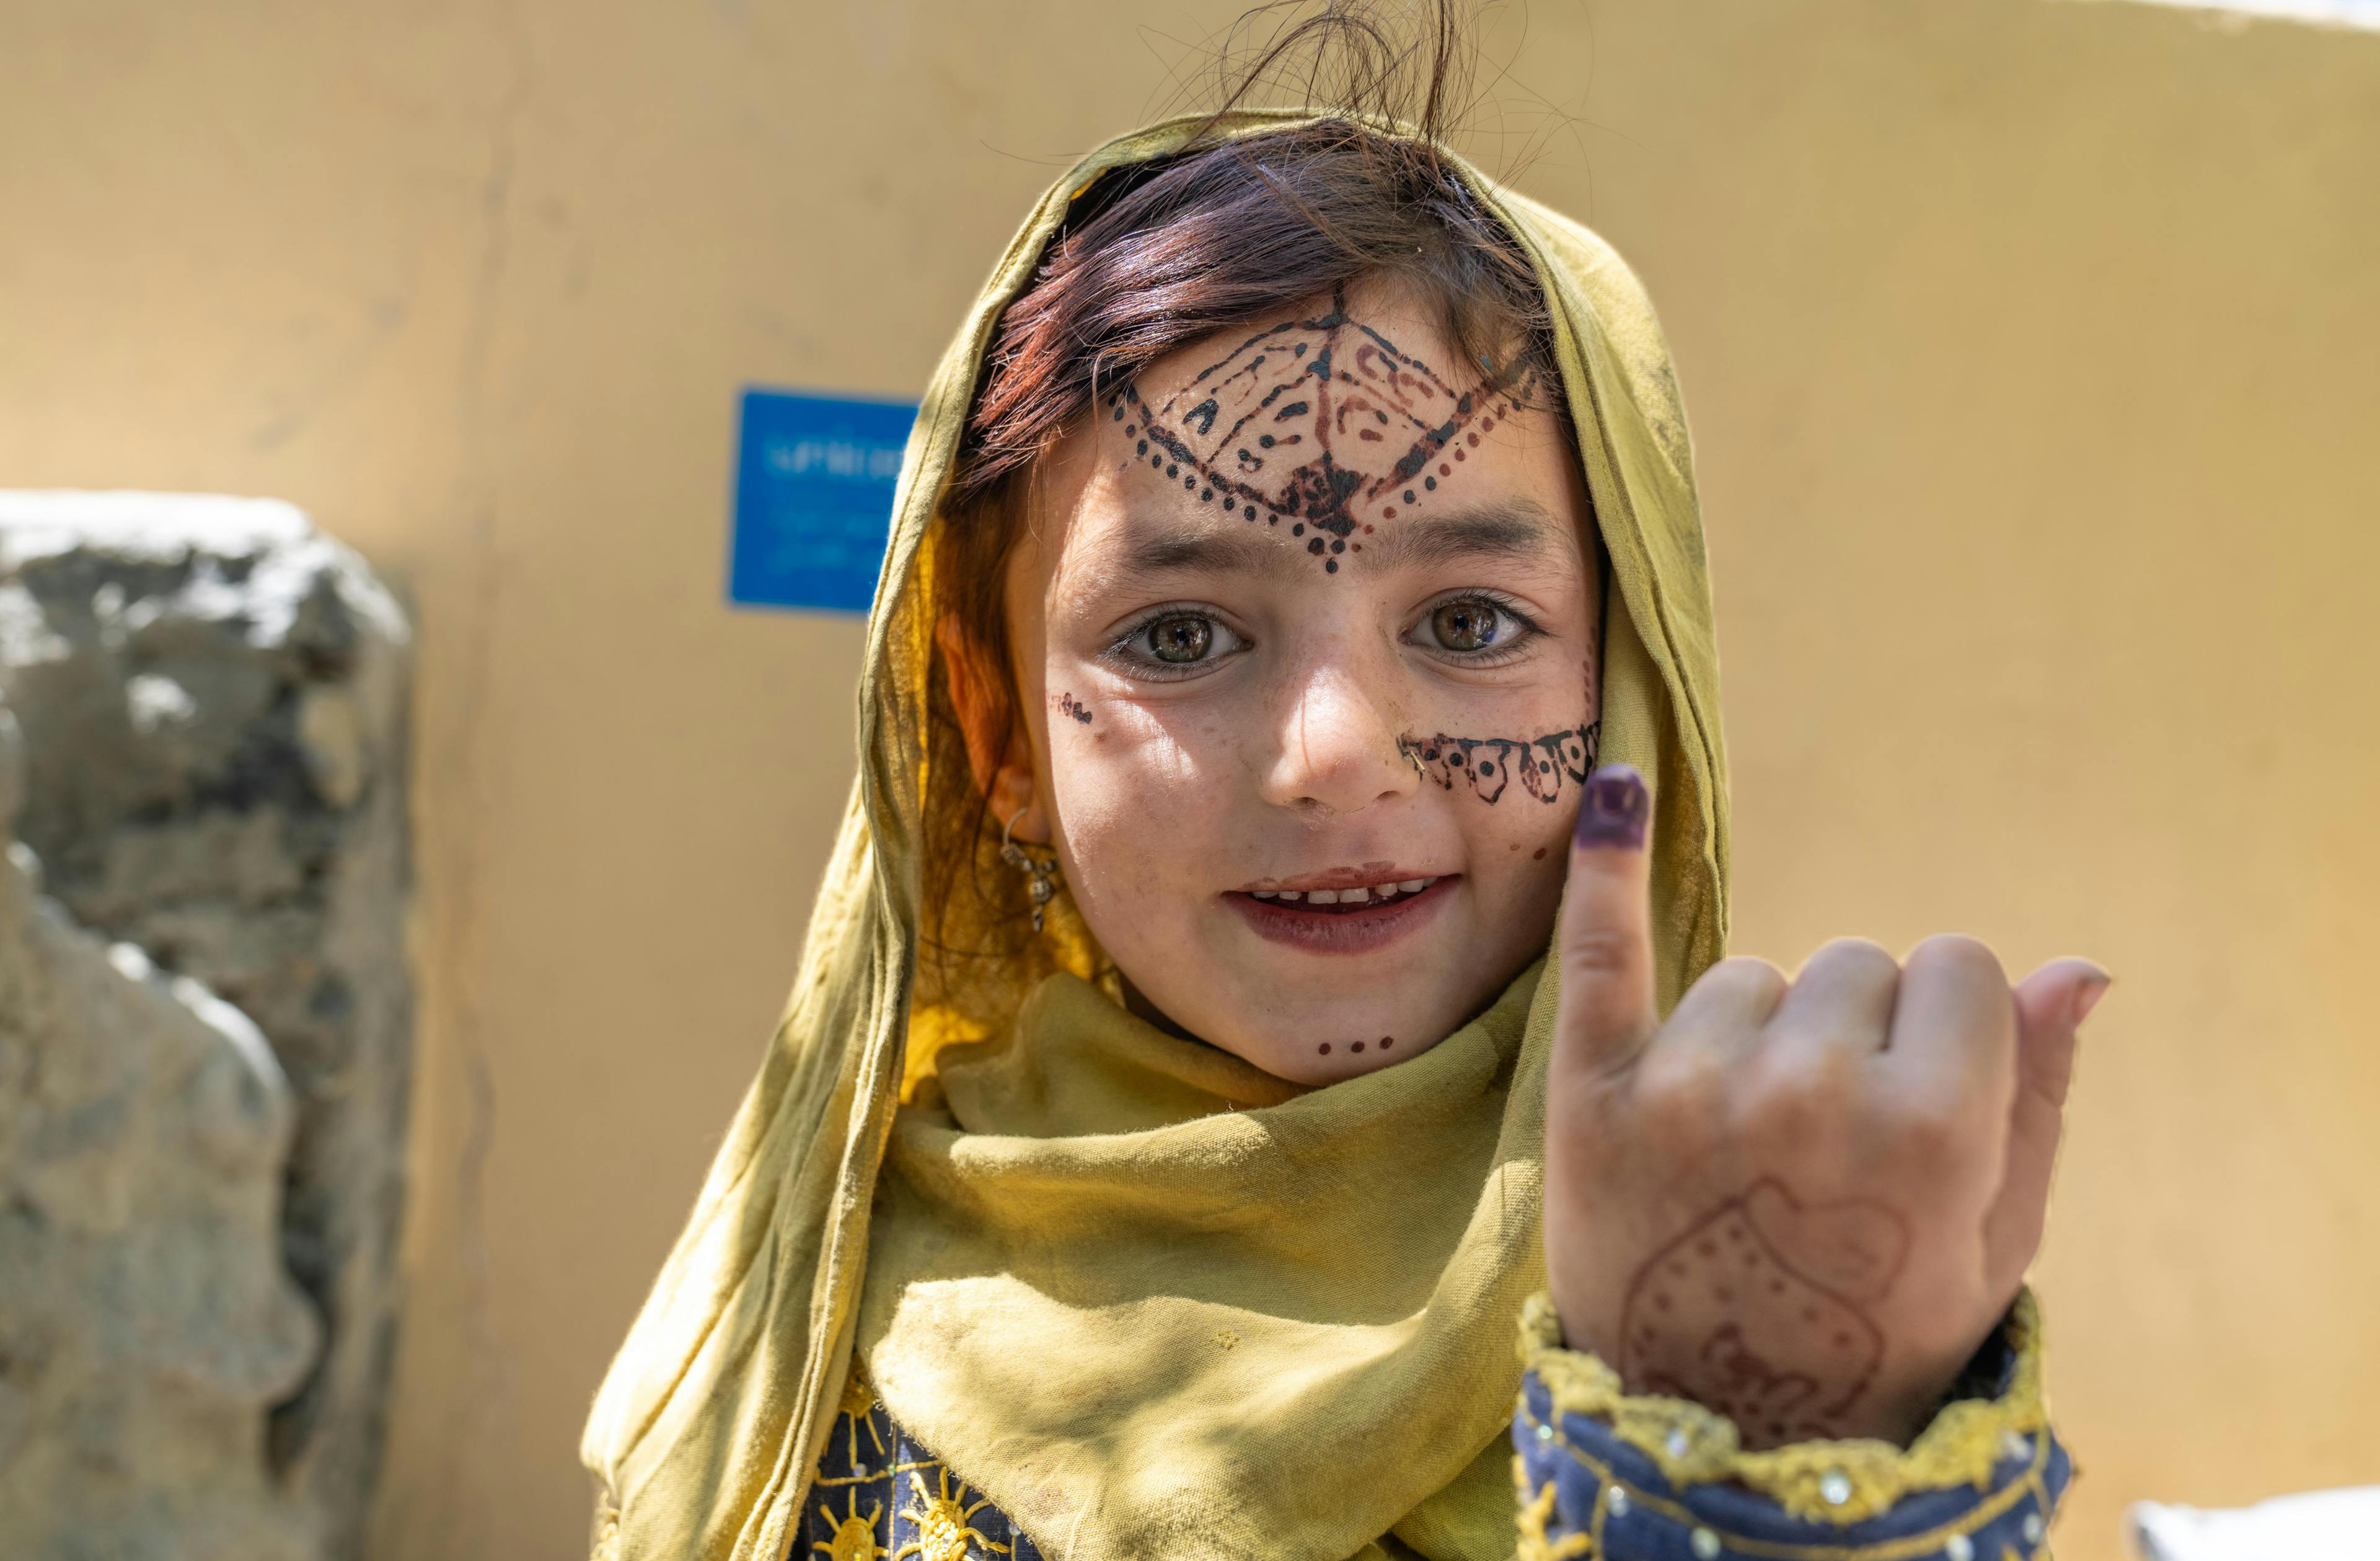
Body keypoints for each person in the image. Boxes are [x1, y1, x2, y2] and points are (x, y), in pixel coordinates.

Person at [583, 20, 2104, 1561]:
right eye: (1179, 635)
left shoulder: (1762, 1272)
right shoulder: (830, 1306)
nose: (1331, 755)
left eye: (1469, 623)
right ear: (1000, 739)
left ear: (1629, 693)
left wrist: (1770, 1452)